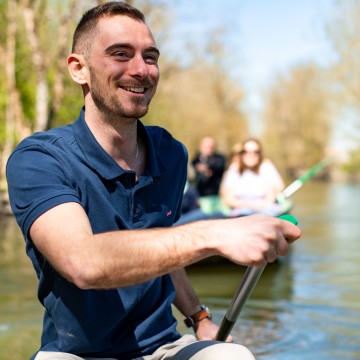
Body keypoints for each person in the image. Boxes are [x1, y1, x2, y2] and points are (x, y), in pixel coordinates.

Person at [6, 3, 301, 360]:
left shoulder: (171, 154)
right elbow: (81, 262)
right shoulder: (40, 159)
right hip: (76, 352)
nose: (141, 70)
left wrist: (199, 317)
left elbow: (162, 247)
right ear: (79, 69)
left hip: (162, 346)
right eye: (120, 54)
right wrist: (217, 233)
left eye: (151, 57)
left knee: (233, 356)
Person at [220, 138, 289, 217]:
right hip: (241, 211)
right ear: (242, 154)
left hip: (266, 210)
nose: (251, 155)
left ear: (260, 154)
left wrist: (259, 206)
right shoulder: (234, 169)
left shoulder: (266, 167)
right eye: (246, 152)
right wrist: (249, 205)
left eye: (255, 152)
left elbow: (272, 195)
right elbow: (228, 199)